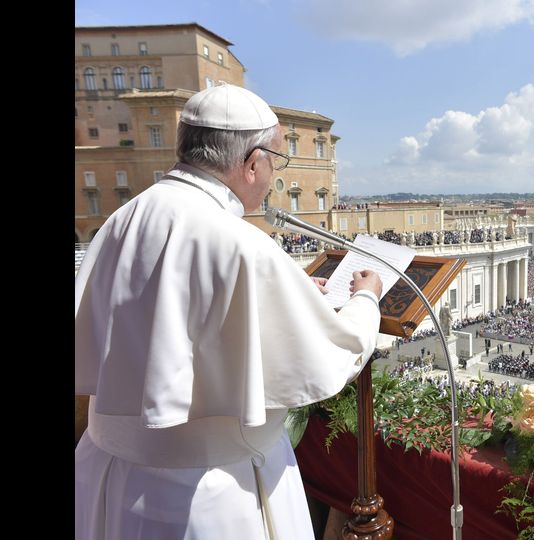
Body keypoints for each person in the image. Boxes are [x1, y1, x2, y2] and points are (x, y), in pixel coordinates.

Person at [75, 83, 384, 540]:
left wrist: (294, 292)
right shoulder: (241, 242)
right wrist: (366, 299)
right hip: (210, 495)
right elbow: (332, 353)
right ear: (252, 161)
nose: (272, 174)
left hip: (109, 475)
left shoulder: (125, 218)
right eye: (276, 161)